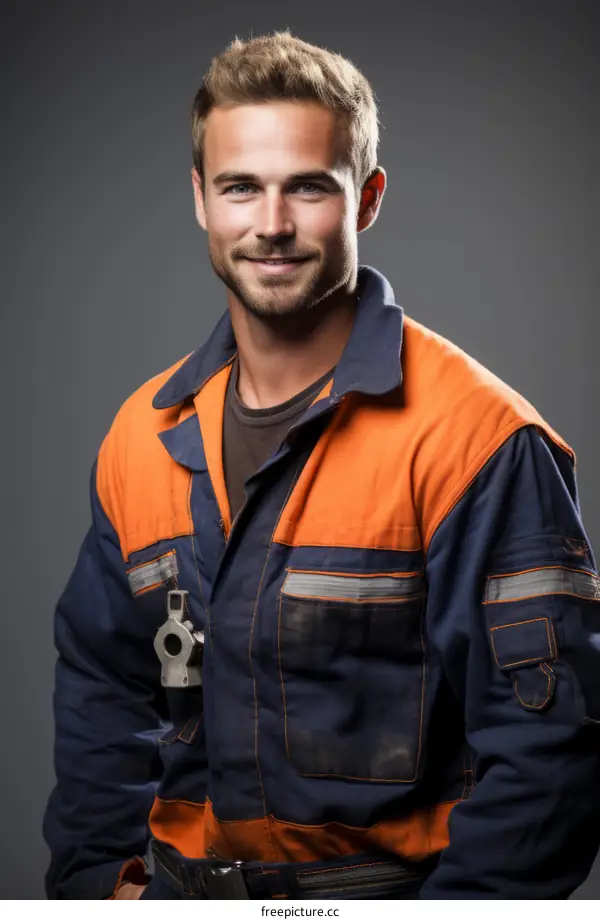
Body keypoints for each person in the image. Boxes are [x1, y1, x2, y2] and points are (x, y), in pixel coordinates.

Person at [44, 30, 600, 900]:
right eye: (240, 188)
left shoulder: (475, 441)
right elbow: (101, 685)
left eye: (307, 186)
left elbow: (553, 760)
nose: (270, 224)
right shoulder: (141, 436)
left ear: (367, 198)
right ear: (200, 199)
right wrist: (95, 889)